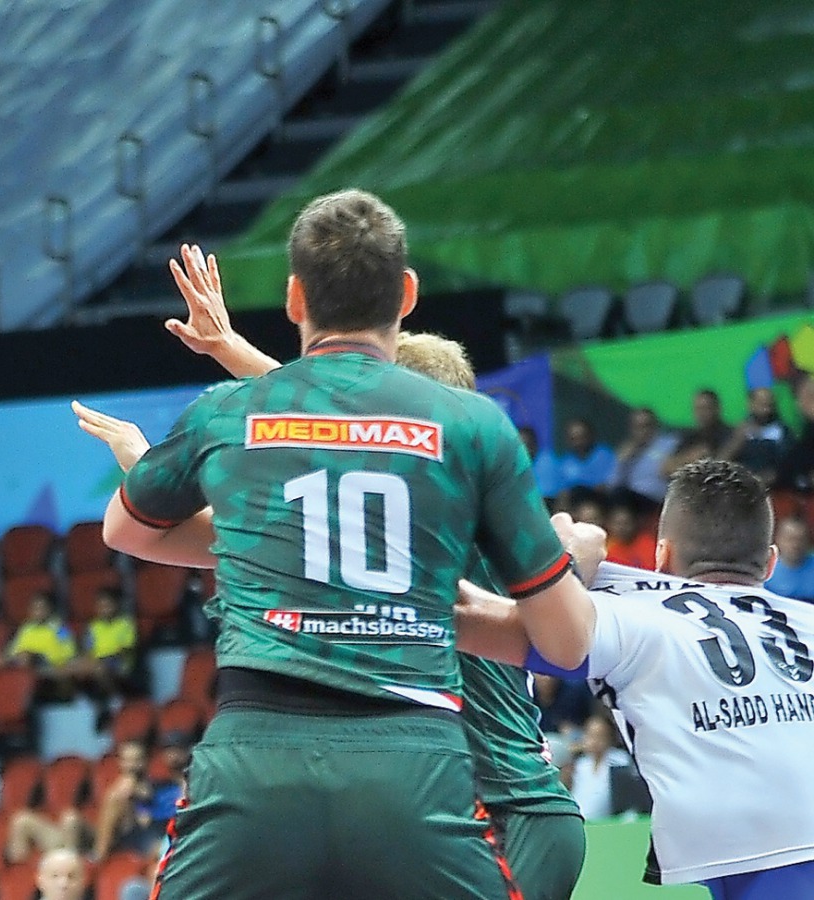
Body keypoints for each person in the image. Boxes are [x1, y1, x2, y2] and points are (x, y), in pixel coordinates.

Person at [90, 190, 596, 899]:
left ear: (294, 297)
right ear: (408, 292)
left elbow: (136, 526)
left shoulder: (235, 423)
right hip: (415, 760)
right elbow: (568, 644)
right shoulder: (472, 436)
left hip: (260, 747)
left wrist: (156, 456)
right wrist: (577, 554)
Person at [456, 459, 814, 897]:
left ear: (661, 555)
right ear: (771, 562)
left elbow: (467, 620)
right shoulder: (807, 620)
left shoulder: (635, 617)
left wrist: (565, 562)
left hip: (774, 858)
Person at [0, 592, 79, 698]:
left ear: (49, 609)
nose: (37, 611)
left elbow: (69, 652)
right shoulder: (25, 628)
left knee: (27, 657)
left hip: (49, 665)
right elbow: (13, 650)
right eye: (35, 608)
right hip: (25, 664)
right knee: (0, 660)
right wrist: (5, 658)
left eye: (41, 608)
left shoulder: (59, 628)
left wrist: (53, 661)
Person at [606, 406, 678, 510]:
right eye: (637, 427)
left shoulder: (669, 444)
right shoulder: (627, 450)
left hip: (656, 499)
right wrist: (622, 462)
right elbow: (612, 484)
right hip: (629, 499)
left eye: (646, 426)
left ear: (655, 425)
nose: (642, 431)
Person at [720, 385, 792, 487]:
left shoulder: (782, 431)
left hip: (775, 488)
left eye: (769, 405)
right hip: (742, 487)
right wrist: (737, 441)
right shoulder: (739, 431)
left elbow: (789, 464)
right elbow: (720, 462)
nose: (766, 410)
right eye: (762, 405)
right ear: (751, 404)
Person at [565, 713, 631, 820]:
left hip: (612, 820)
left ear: (610, 737)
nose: (595, 741)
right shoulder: (581, 765)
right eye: (591, 736)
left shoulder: (620, 760)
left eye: (600, 736)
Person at [663, 388, 730, 475]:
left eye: (706, 408)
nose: (702, 413)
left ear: (717, 408)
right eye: (698, 409)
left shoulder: (729, 436)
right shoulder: (690, 436)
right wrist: (690, 458)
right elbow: (666, 469)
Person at [556, 418, 616, 495]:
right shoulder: (565, 462)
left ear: (591, 435)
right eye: (573, 439)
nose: (578, 443)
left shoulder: (605, 455)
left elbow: (610, 484)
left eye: (582, 437)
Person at [764, 516, 814, 602]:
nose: (795, 545)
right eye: (790, 539)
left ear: (808, 541)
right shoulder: (765, 569)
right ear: (778, 539)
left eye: (800, 539)